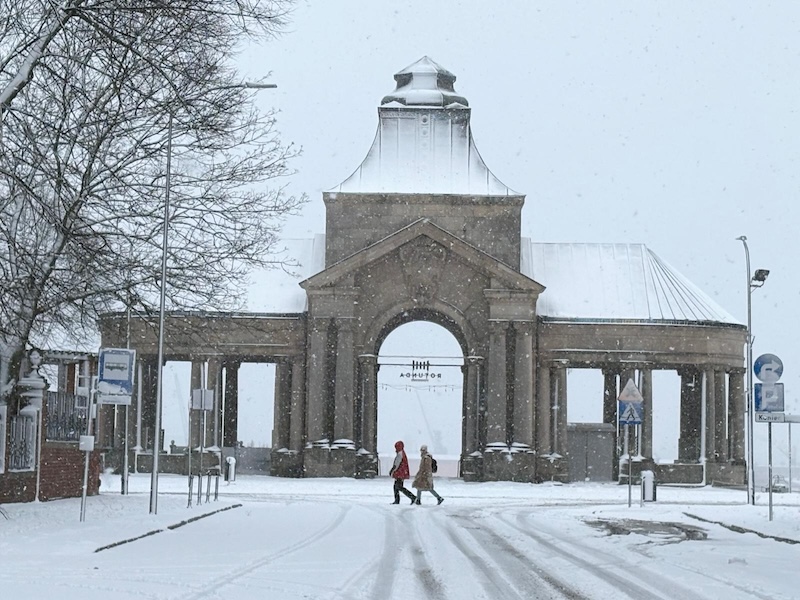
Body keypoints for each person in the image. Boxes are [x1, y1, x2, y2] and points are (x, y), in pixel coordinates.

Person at [389, 440, 416, 504]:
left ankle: (412, 497)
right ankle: (411, 498)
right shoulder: (403, 453)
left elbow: (396, 464)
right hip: (402, 473)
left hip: (399, 473)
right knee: (398, 487)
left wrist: (392, 470)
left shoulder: (400, 454)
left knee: (398, 487)